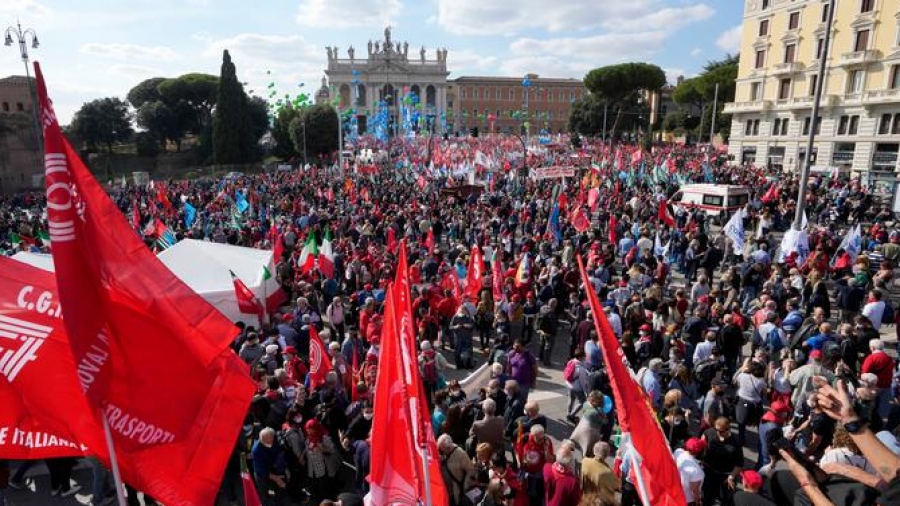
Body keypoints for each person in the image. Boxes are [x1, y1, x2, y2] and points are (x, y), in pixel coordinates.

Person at [252, 427, 287, 506]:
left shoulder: (274, 439)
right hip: (262, 473)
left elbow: (279, 451)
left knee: (279, 490)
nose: (270, 443)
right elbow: (260, 470)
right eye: (267, 442)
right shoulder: (256, 450)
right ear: (261, 440)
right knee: (265, 494)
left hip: (274, 467)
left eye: (271, 440)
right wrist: (275, 478)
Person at [438, 434, 476, 506]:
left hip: (455, 492)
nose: (440, 452)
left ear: (448, 448)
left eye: (442, 449)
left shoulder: (461, 454)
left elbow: (471, 470)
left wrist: (465, 485)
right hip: (444, 490)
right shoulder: (443, 452)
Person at [580, 441, 619, 506]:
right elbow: (616, 486)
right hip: (597, 502)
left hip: (585, 497)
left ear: (594, 451)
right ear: (607, 454)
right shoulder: (607, 472)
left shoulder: (585, 461)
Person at [674, 438, 705, 506]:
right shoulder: (697, 472)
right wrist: (698, 502)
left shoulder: (678, 451)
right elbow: (694, 491)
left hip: (675, 494)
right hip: (686, 500)